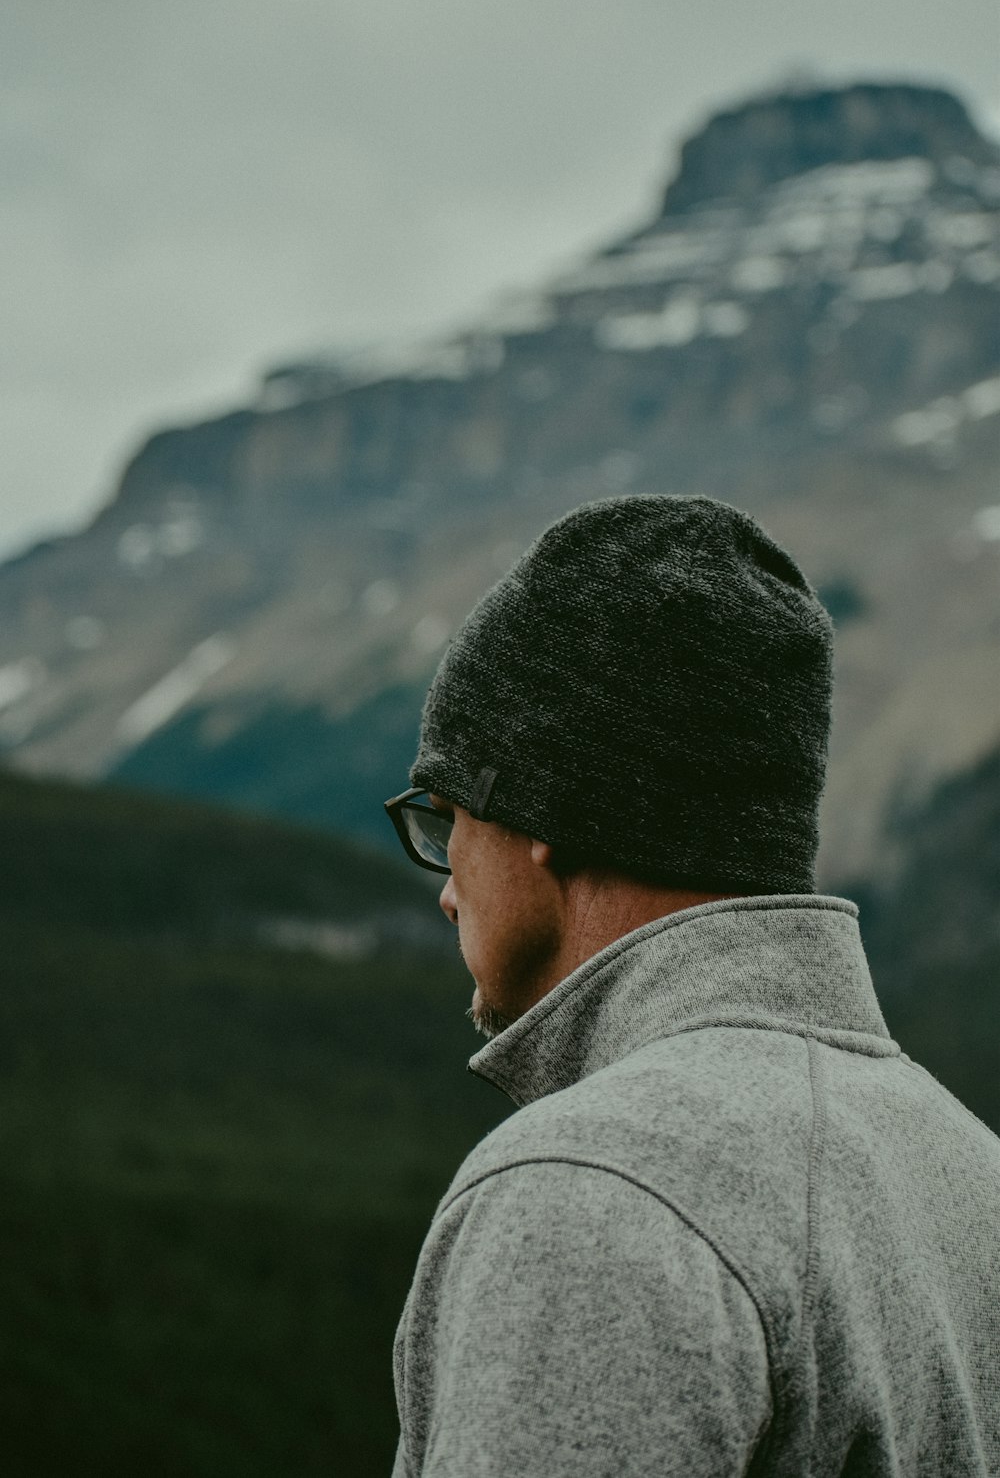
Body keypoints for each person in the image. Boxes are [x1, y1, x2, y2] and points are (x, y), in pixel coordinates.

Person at [383, 494, 1000, 1476]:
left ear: (544, 811)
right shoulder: (972, 1169)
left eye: (447, 811)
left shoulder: (588, 1194)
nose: (448, 885)